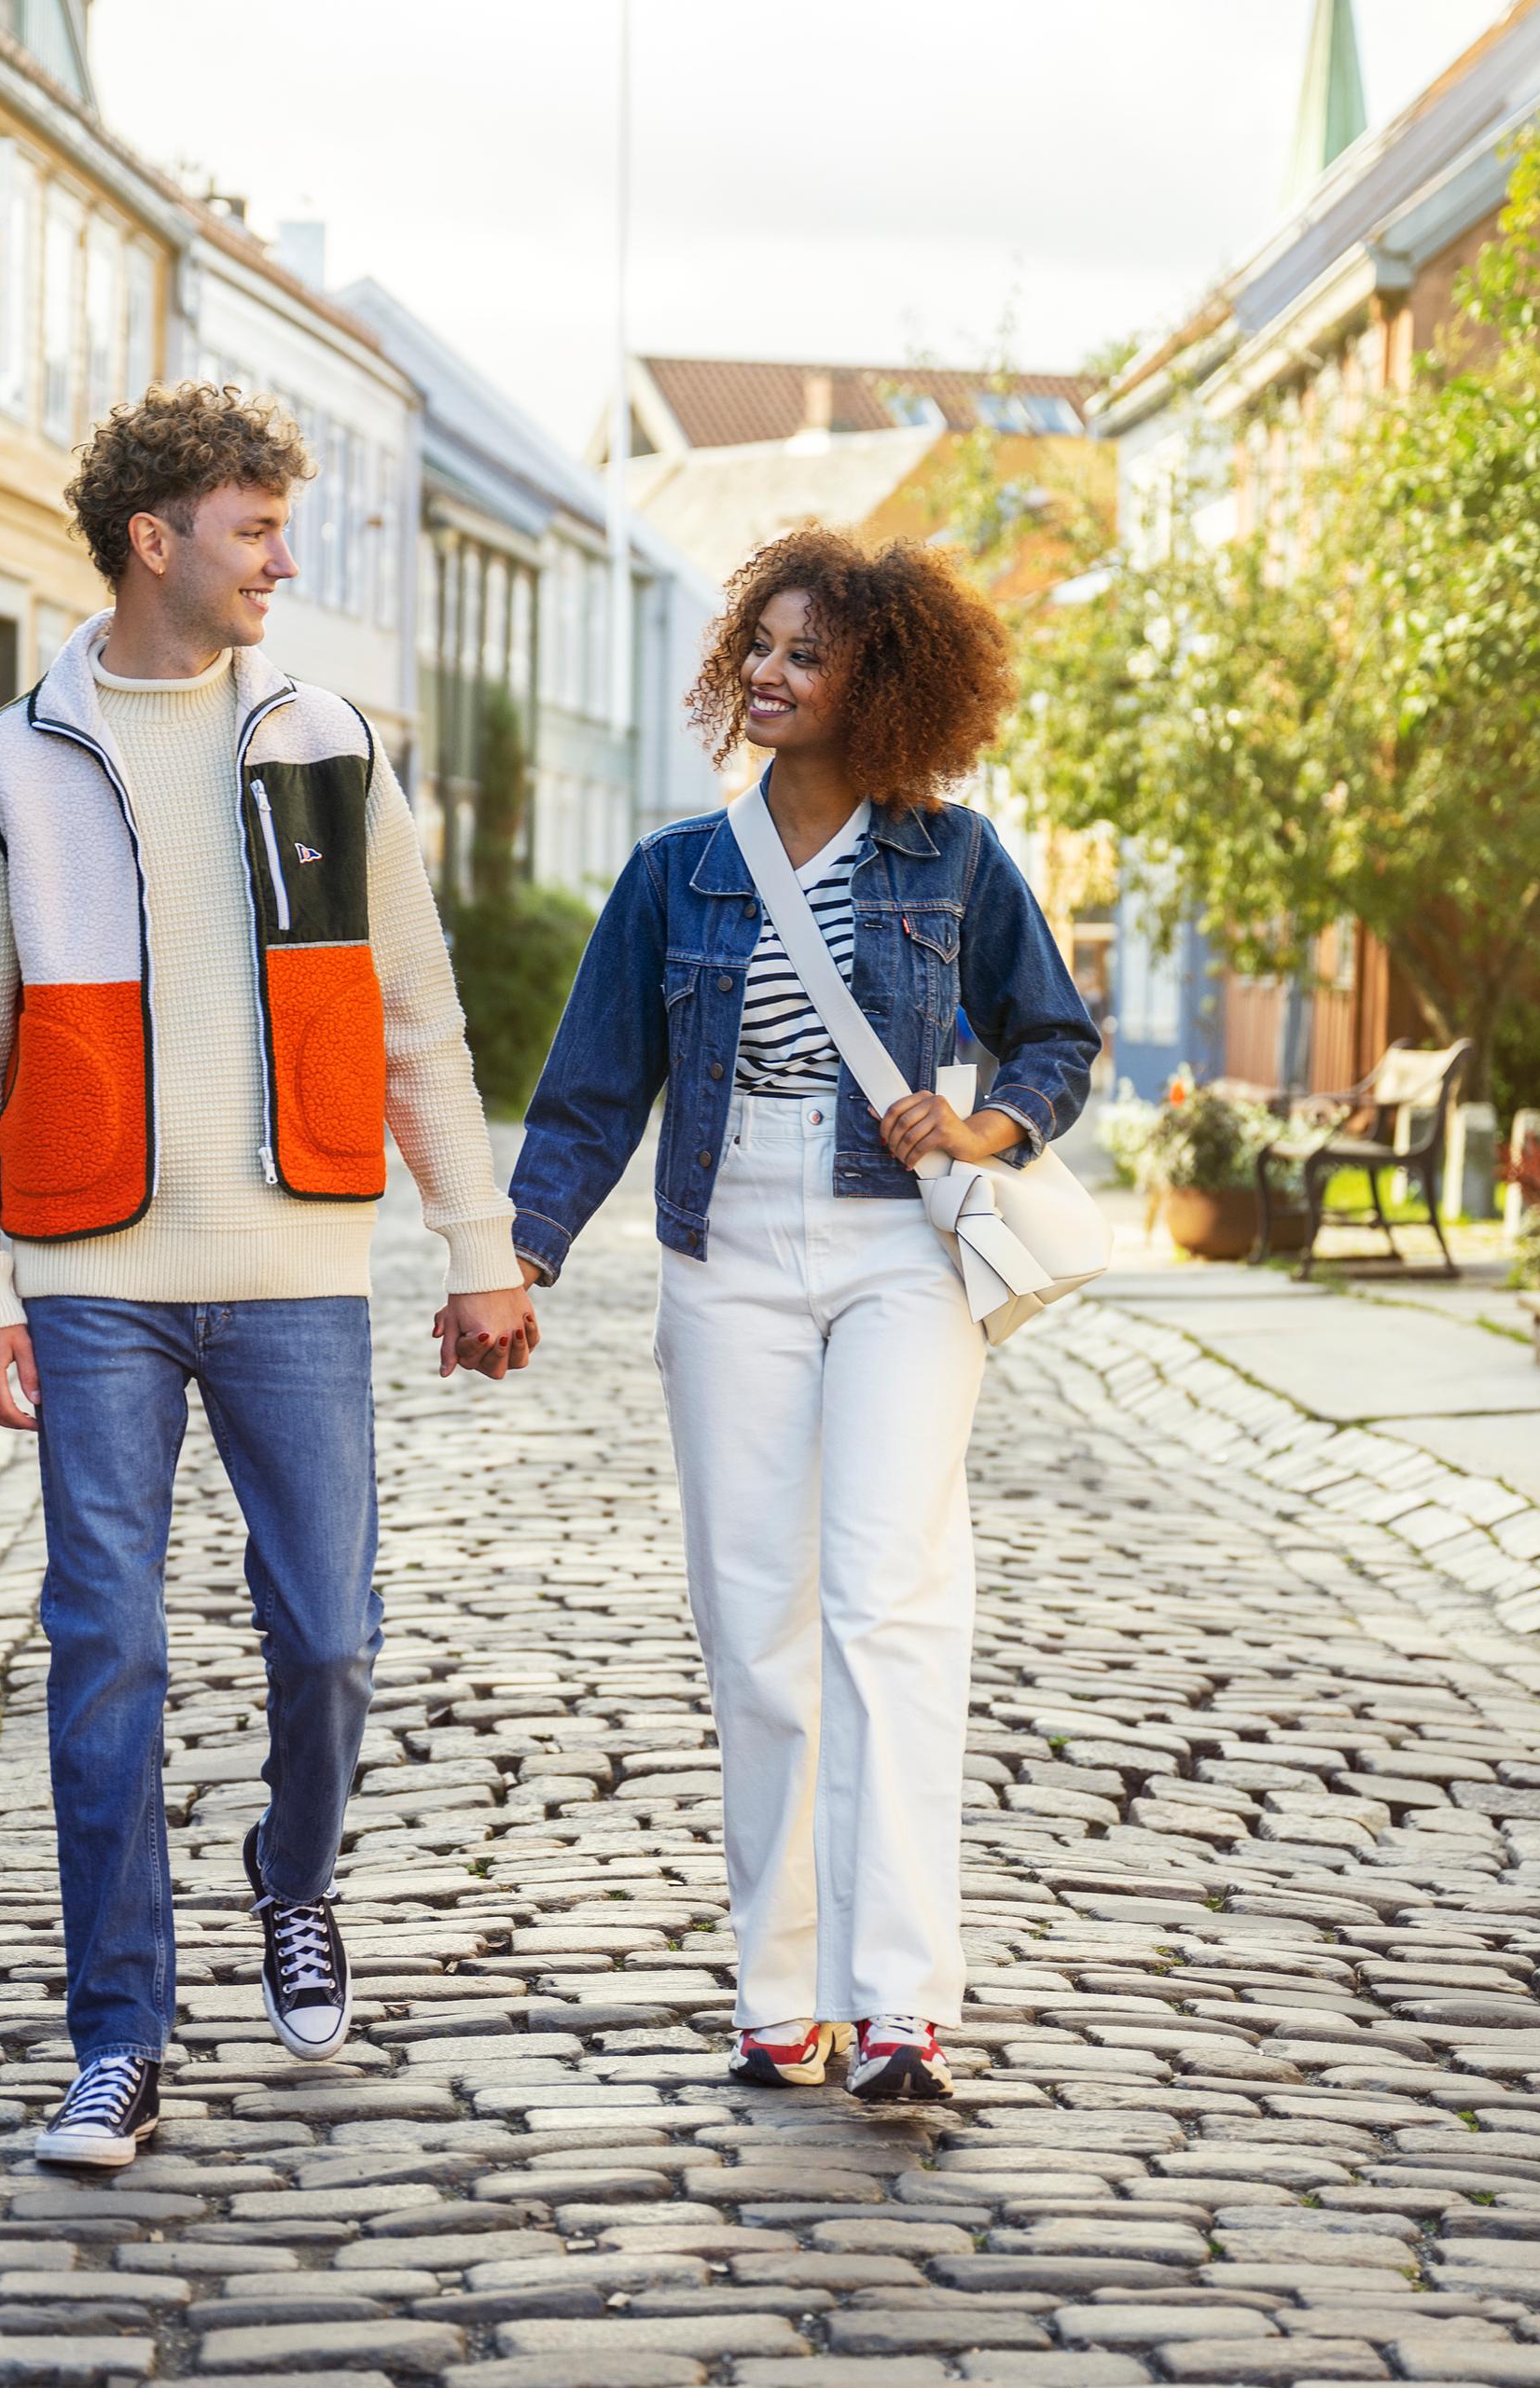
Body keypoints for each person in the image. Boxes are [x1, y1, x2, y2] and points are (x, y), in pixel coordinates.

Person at [0, 384, 541, 2171]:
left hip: (295, 1270)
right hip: (90, 1272)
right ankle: (121, 2033)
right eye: (253, 530)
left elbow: (415, 1018)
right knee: (103, 1645)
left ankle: (295, 1877)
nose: (281, 561)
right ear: (154, 542)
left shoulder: (324, 742)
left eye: (284, 528)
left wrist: (476, 1247)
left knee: (328, 1636)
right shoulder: (12, 761)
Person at [506, 529, 1097, 2103]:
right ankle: (783, 1993)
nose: (770, 674)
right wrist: (524, 1251)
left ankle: (899, 2001)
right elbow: (588, 1093)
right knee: (755, 1627)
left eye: (806, 654)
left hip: (901, 1250)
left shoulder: (953, 864)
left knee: (888, 1604)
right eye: (757, 646)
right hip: (729, 1247)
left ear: (879, 684)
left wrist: (988, 1132)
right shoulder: (672, 874)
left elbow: (1054, 1039)